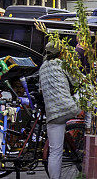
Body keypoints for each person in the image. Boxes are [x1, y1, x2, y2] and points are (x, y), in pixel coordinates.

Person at [39, 41, 81, 179]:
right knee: (88, 90)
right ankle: (88, 127)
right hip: (69, 107)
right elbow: (78, 81)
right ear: (61, 53)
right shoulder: (63, 63)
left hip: (52, 115)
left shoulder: (42, 68)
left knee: (55, 152)